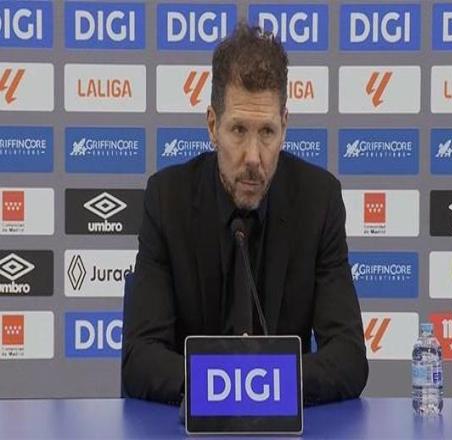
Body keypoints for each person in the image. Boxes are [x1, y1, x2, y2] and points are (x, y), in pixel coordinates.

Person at [122, 23, 368, 406]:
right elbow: (140, 358)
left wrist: (263, 384)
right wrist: (228, 387)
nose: (253, 157)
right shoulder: (168, 199)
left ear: (284, 127)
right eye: (238, 130)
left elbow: (349, 358)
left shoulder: (318, 201)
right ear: (212, 125)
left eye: (267, 132)